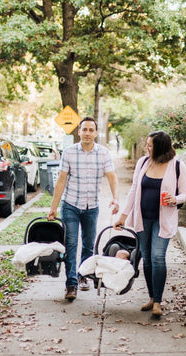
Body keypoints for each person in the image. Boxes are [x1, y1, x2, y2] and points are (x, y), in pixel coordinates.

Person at [114, 131, 186, 317]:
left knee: (157, 257)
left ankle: (158, 302)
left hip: (162, 220)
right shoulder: (143, 163)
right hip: (142, 218)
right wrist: (123, 216)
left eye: (150, 146)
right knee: (146, 258)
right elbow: (133, 191)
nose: (146, 148)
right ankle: (150, 297)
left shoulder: (178, 166)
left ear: (161, 147)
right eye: (147, 145)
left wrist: (175, 198)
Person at [48, 116, 119, 301]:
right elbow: (61, 180)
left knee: (89, 245)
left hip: (92, 206)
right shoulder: (69, 152)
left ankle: (82, 276)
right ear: (79, 131)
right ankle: (71, 283)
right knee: (71, 244)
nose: (87, 133)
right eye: (84, 129)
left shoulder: (103, 153)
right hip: (70, 204)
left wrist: (116, 198)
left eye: (91, 130)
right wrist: (53, 207)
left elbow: (112, 177)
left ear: (96, 133)